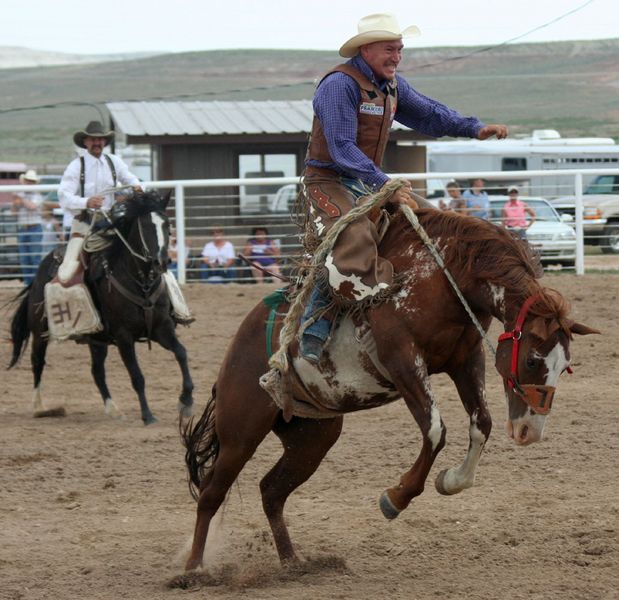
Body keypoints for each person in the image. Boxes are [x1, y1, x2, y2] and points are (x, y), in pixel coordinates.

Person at [299, 13, 508, 363]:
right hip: (328, 180)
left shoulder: (391, 86)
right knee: (352, 233)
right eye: (389, 49)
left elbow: (429, 114)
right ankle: (314, 324)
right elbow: (340, 146)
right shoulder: (339, 84)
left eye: (400, 49)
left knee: (434, 221)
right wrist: (385, 183)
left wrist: (475, 129)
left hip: (365, 181)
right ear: (366, 50)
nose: (396, 57)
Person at [57, 120, 192, 324]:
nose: (97, 142)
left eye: (100, 139)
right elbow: (64, 196)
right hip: (84, 224)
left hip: (112, 221)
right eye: (93, 139)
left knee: (147, 251)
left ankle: (174, 309)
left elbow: (131, 179)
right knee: (68, 270)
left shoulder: (114, 162)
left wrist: (136, 190)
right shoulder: (76, 167)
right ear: (85, 142)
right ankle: (76, 316)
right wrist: (87, 202)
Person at [12, 169, 44, 285]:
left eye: (31, 181)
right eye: (27, 180)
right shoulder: (20, 195)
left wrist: (20, 199)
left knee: (35, 258)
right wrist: (15, 203)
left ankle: (35, 284)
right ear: (24, 181)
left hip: (34, 228)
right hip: (23, 228)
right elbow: (14, 213)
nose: (29, 183)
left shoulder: (37, 195)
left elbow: (32, 206)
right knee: (24, 258)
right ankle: (27, 283)